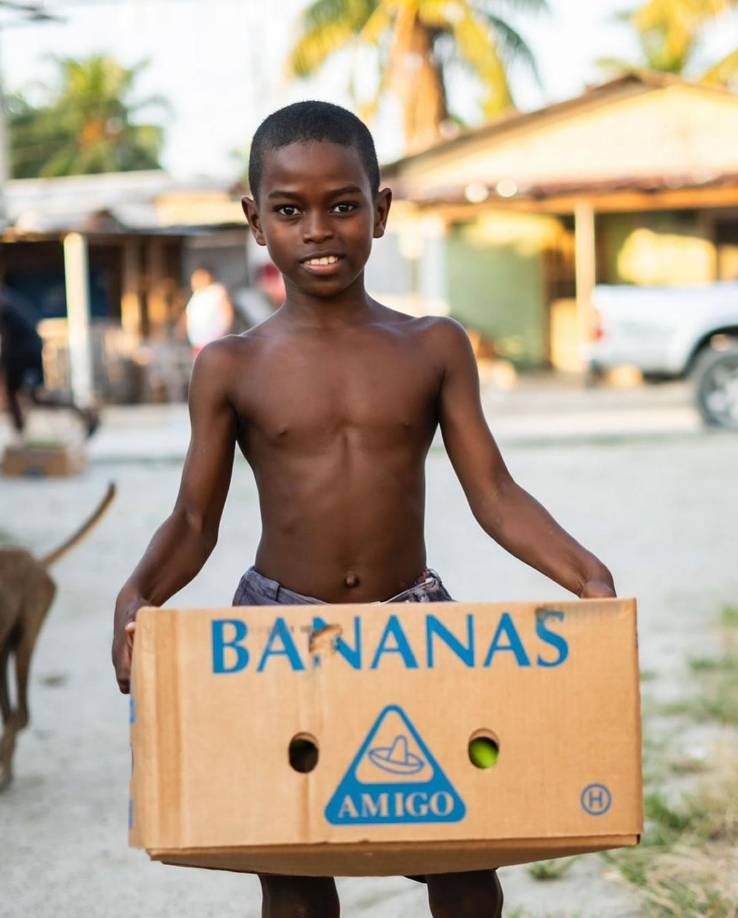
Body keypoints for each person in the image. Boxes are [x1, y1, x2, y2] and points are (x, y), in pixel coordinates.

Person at [112, 101, 615, 917]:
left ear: (380, 212)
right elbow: (194, 522)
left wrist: (588, 576)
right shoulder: (231, 366)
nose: (319, 228)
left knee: (462, 865)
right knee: (297, 872)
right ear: (255, 221)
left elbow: (493, 491)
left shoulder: (432, 346)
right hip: (275, 630)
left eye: (343, 205)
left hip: (411, 622)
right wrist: (137, 598)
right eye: (290, 209)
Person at [0, 285, 99, 439]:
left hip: (24, 355)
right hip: (18, 354)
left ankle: (84, 412)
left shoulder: (5, 301)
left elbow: (11, 334)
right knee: (14, 394)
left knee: (36, 396)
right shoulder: (8, 299)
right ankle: (20, 436)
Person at [183, 265, 234, 357]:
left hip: (215, 343)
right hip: (198, 344)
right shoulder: (196, 296)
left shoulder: (217, 292)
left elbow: (227, 314)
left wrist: (223, 335)